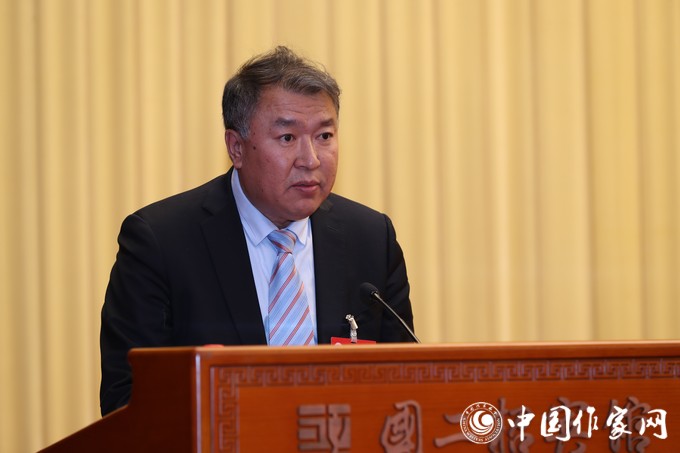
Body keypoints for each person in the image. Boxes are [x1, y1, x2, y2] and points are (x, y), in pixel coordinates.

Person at [99, 46, 414, 416]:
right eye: (287, 138)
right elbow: (128, 402)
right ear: (236, 148)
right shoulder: (160, 243)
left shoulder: (371, 239)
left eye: (325, 136)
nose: (311, 159)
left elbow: (405, 385)